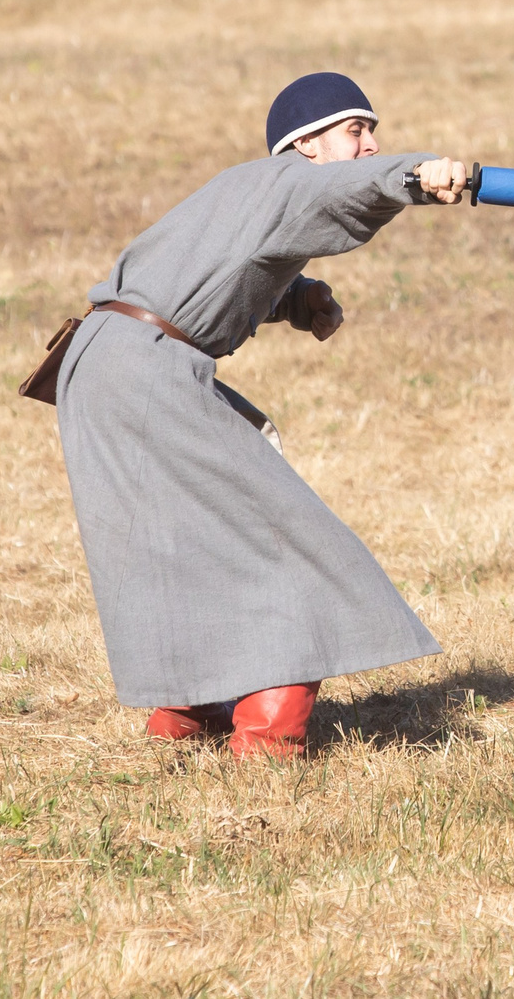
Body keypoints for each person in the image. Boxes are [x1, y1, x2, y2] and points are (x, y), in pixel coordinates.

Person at [48, 72, 469, 757]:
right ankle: (269, 726)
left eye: (375, 133)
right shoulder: (291, 182)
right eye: (356, 131)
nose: (371, 146)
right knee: (285, 535)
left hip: (99, 361)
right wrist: (417, 175)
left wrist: (297, 301)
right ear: (305, 146)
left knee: (178, 537)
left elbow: (214, 270)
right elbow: (348, 188)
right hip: (144, 370)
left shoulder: (245, 189)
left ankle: (193, 705)